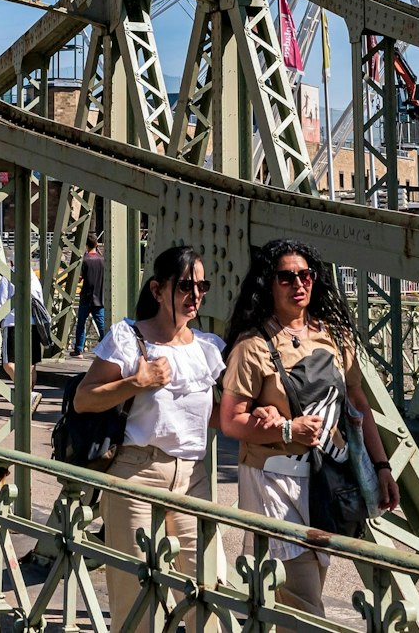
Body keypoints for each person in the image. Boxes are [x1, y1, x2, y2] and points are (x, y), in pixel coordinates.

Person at [218, 239, 401, 616]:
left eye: (306, 275)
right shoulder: (252, 346)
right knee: (303, 598)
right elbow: (230, 420)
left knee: (306, 588)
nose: (298, 284)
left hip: (324, 481)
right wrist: (287, 430)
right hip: (274, 481)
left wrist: (382, 467)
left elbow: (357, 403)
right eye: (286, 277)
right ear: (269, 284)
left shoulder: (334, 335)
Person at [72, 245, 224, 633]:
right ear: (157, 290)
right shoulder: (129, 338)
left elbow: (216, 415)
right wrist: (136, 383)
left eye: (202, 286)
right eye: (185, 286)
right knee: (137, 599)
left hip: (193, 478)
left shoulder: (208, 348)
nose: (195, 295)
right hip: (136, 475)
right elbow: (83, 399)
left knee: (208, 591)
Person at [75, 236, 106, 353]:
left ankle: (78, 350)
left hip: (86, 297)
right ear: (97, 244)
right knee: (102, 326)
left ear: (86, 245)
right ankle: (106, 349)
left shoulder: (85, 260)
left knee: (81, 324)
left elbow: (78, 279)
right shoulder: (103, 260)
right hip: (99, 297)